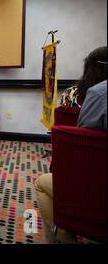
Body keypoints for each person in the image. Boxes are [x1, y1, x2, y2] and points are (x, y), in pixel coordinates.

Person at [36, 49, 107, 244]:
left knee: (42, 183)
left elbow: (83, 144)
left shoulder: (74, 93)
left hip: (88, 181)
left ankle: (64, 236)